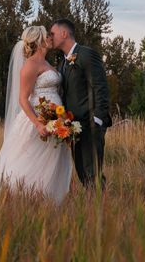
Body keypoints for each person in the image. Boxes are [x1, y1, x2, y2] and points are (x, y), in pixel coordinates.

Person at [0, 26, 72, 203]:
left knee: (49, 159)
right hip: (37, 119)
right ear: (39, 41)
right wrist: (38, 123)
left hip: (56, 118)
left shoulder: (47, 63)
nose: (50, 38)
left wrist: (61, 118)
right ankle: (15, 194)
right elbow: (23, 99)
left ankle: (45, 198)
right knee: (28, 158)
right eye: (46, 36)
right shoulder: (30, 65)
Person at [50, 19, 111, 188]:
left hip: (91, 122)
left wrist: (98, 119)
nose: (50, 37)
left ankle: (101, 207)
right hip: (73, 125)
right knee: (82, 172)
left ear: (64, 33)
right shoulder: (62, 63)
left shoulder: (86, 54)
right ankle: (93, 208)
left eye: (52, 33)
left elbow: (101, 88)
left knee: (93, 172)